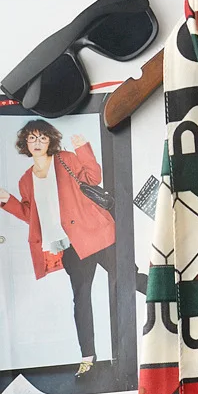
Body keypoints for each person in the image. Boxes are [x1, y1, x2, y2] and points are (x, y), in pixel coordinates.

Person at [0, 119, 120, 378]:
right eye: (32, 138)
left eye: (42, 137)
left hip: (96, 234)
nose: (37, 142)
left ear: (50, 141)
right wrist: (8, 201)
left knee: (129, 278)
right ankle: (88, 358)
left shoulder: (65, 159)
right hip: (70, 247)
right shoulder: (25, 180)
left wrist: (83, 149)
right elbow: (31, 215)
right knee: (81, 301)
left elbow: (94, 178)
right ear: (25, 143)